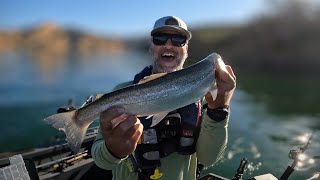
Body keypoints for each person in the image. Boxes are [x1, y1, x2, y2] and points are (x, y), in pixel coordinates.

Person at [91, 16, 236, 180]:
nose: (168, 45)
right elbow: (101, 162)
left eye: (178, 39)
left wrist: (219, 110)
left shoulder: (205, 99)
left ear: (186, 50)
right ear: (151, 47)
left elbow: (208, 159)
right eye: (159, 38)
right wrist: (112, 151)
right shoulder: (121, 91)